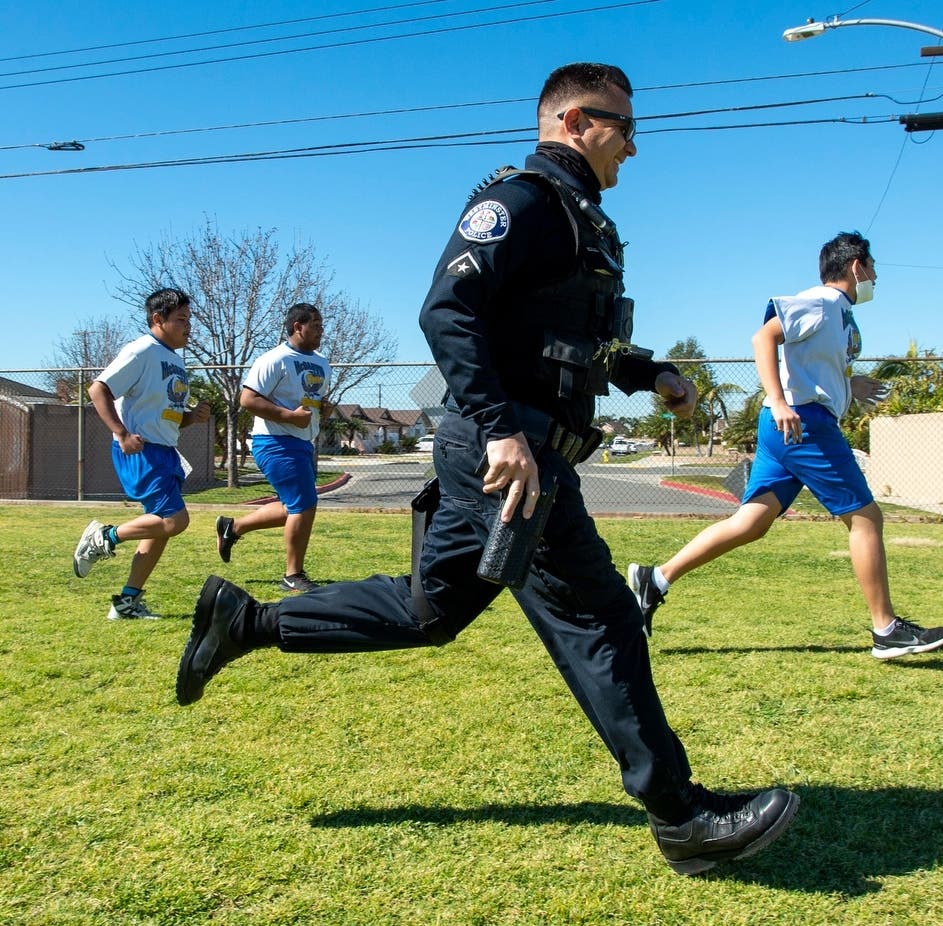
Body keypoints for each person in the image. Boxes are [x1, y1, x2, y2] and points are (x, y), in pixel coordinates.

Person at [175, 62, 798, 876]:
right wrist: (503, 431)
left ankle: (247, 621)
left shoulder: (578, 219)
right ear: (574, 120)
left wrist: (649, 376)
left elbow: (564, 341)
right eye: (624, 127)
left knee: (429, 610)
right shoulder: (526, 201)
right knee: (601, 617)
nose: (634, 149)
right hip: (511, 458)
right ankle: (679, 815)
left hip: (510, 451)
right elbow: (447, 310)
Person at [628, 231, 943, 659]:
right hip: (804, 424)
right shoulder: (821, 302)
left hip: (789, 423)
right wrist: (780, 401)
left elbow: (808, 367)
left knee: (752, 523)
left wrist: (847, 384)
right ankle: (886, 630)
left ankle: (656, 579)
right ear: (856, 267)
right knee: (866, 518)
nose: (875, 276)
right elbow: (763, 338)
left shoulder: (837, 314)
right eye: (872, 267)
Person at [72, 288, 211, 619]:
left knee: (159, 528)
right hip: (142, 451)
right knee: (173, 521)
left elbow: (163, 411)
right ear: (157, 320)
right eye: (181, 319)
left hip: (165, 451)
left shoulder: (174, 359)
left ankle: (126, 603)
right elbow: (98, 389)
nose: (188, 326)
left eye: (189, 319)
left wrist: (192, 417)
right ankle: (103, 537)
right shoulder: (142, 350)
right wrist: (120, 434)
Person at [215, 303, 331, 592]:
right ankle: (293, 575)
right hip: (275, 442)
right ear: (297, 327)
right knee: (303, 505)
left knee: (294, 506)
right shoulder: (275, 359)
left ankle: (233, 528)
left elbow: (309, 402)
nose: (321, 330)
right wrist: (289, 417)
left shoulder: (322, 362)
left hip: (303, 443)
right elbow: (248, 399)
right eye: (315, 325)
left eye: (321, 325)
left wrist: (322, 410)